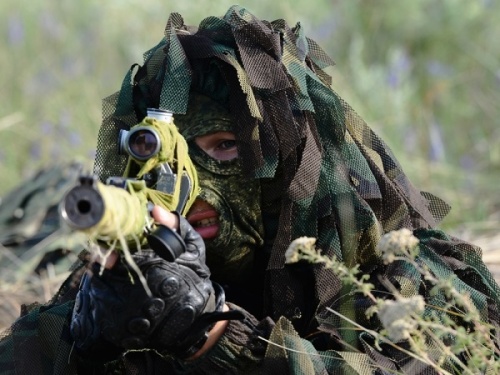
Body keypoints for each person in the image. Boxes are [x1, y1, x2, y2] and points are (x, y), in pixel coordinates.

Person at [1, 5, 499, 374]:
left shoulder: (404, 280)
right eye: (174, 158)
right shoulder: (138, 282)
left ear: (293, 159)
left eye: (224, 146)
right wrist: (78, 343)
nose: (189, 187)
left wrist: (215, 335)